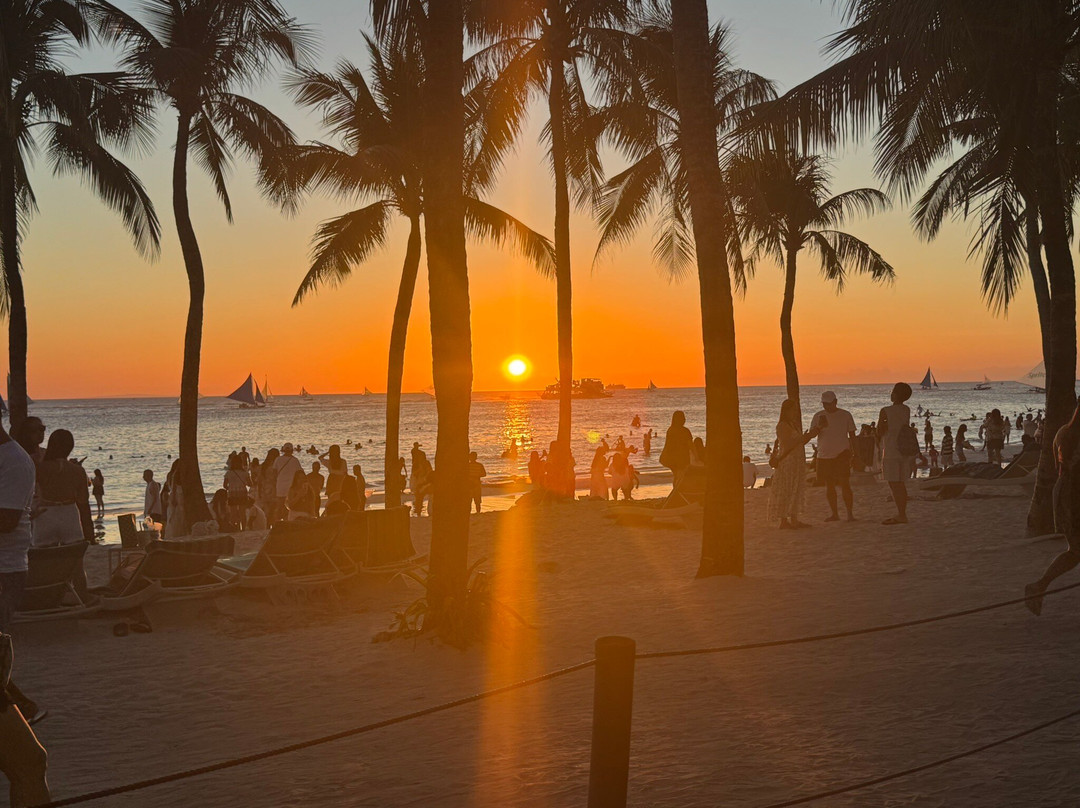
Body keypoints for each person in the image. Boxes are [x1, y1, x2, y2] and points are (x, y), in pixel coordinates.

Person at [1025, 398, 1080, 616]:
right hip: (1074, 493)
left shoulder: (1062, 433)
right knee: (1076, 550)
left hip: (1064, 490)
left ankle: (1039, 586)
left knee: (1076, 551)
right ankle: (1038, 586)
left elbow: (1061, 468)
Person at [35, 431, 94, 549]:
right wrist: (90, 534)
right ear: (70, 447)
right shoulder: (77, 471)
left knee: (44, 556)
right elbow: (83, 503)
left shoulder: (39, 468)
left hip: (45, 512)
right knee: (73, 558)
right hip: (69, 512)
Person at [768, 399, 817, 529]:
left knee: (795, 488)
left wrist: (808, 436)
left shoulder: (792, 424)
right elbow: (788, 444)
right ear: (787, 410)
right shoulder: (783, 425)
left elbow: (798, 443)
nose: (795, 412)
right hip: (788, 461)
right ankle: (784, 520)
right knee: (787, 489)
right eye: (793, 409)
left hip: (796, 460)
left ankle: (793, 519)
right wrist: (803, 437)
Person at [810, 391, 857, 522]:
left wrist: (855, 453)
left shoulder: (845, 415)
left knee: (845, 484)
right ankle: (834, 513)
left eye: (829, 404)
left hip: (842, 454)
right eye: (824, 404)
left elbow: (852, 435)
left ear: (835, 402)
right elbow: (811, 434)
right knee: (829, 485)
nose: (827, 407)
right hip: (824, 455)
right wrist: (819, 427)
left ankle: (849, 513)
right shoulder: (818, 416)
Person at [878, 382, 915, 524]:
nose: (891, 393)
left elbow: (880, 431)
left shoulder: (885, 410)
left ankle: (901, 514)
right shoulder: (906, 409)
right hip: (903, 450)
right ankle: (902, 513)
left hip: (892, 450)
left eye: (893, 391)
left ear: (896, 394)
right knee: (900, 483)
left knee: (894, 484)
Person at [659, 411, 693, 487]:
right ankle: (677, 492)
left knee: (677, 476)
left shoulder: (670, 430)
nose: (685, 420)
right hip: (681, 459)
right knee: (680, 477)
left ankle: (676, 491)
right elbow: (691, 445)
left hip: (670, 458)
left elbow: (669, 445)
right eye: (683, 418)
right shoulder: (685, 431)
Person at [272, 444, 302, 522]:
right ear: (292, 451)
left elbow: (274, 474)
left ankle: (277, 522)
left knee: (279, 506)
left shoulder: (278, 459)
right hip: (291, 487)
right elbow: (300, 473)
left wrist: (274, 485)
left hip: (280, 486)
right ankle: (287, 521)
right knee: (290, 506)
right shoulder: (295, 460)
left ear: (283, 450)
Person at [223, 456, 250, 530]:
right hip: (242, 493)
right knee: (242, 512)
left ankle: (235, 527)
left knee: (233, 513)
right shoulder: (245, 473)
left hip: (232, 493)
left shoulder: (228, 473)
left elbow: (225, 485)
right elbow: (250, 484)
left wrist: (230, 487)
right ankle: (243, 528)